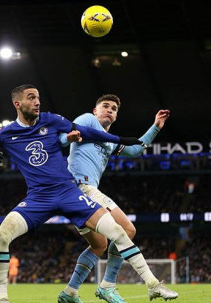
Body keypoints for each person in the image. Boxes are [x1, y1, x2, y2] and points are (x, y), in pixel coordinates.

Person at [0, 84, 178, 303]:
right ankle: (3, 299)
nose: (37, 102)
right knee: (1, 235)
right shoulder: (7, 133)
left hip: (70, 192)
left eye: (38, 97)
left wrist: (124, 140)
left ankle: (152, 285)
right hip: (39, 198)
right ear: (18, 104)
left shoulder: (52, 120)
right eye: (31, 98)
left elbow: (82, 133)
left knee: (117, 233)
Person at [57, 94, 170, 303]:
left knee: (99, 245)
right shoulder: (87, 121)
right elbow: (65, 136)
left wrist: (155, 126)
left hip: (73, 196)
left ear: (116, 117)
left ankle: (69, 293)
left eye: (114, 109)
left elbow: (134, 150)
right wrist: (67, 139)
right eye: (105, 106)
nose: (110, 110)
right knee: (128, 230)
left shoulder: (109, 142)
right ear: (95, 110)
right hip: (82, 188)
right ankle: (108, 286)